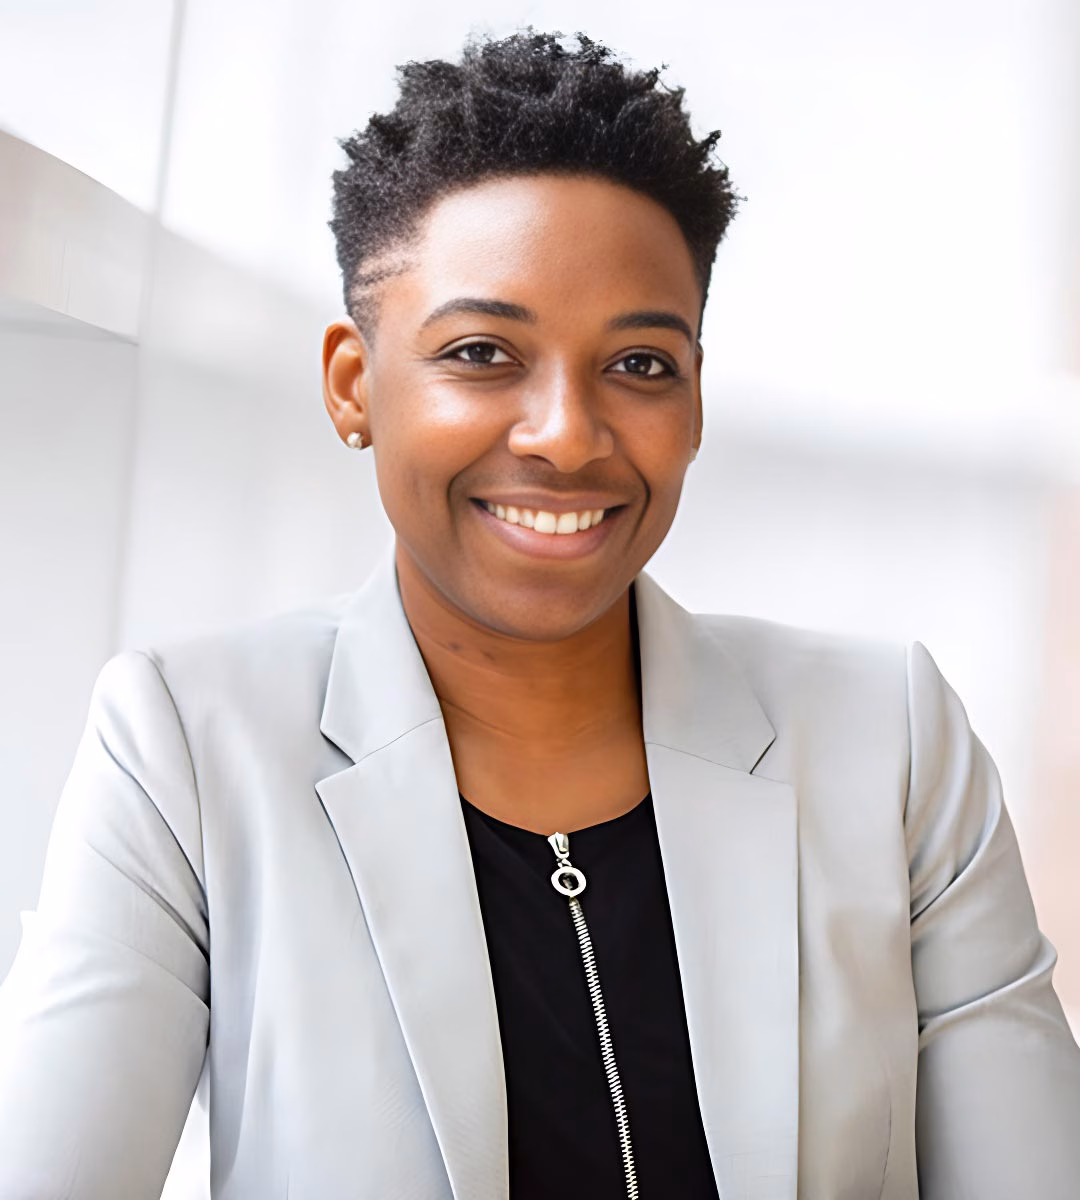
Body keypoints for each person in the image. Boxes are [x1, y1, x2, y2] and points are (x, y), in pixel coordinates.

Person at [0, 29, 1077, 1200]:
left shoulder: (894, 741)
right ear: (355, 386)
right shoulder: (186, 748)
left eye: (642, 366)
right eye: (481, 352)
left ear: (697, 397)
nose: (566, 433)